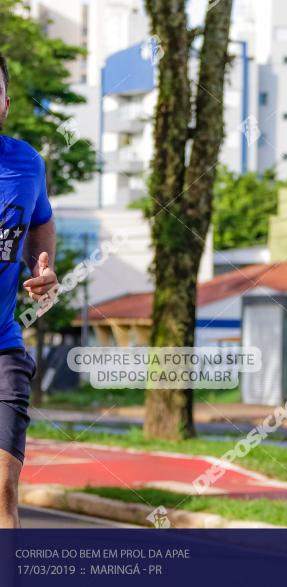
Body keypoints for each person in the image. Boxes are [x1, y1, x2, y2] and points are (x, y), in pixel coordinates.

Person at [0, 53, 59, 528]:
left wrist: (43, 267)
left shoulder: (26, 163)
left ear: (5, 104)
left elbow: (40, 221)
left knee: (3, 486)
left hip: (2, 346)